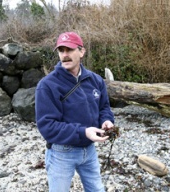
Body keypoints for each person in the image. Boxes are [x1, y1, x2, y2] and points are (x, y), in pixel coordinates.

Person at [35, 31, 115, 192]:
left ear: (81, 51)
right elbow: (47, 127)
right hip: (61, 153)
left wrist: (106, 120)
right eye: (61, 50)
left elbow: (104, 107)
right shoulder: (47, 85)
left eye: (69, 50)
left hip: (89, 150)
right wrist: (84, 132)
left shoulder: (95, 80)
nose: (65, 55)